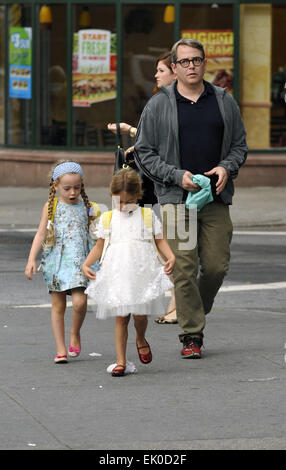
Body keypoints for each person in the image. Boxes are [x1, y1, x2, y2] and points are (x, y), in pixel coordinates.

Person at [134, 38, 248, 359]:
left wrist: (227, 167)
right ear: (174, 67)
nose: (191, 67)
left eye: (196, 60)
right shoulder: (159, 104)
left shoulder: (223, 101)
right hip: (176, 198)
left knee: (215, 266)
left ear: (204, 63)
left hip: (214, 196)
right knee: (183, 268)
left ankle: (193, 309)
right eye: (184, 62)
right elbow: (144, 152)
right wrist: (175, 175)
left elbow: (240, 145)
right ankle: (191, 335)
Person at [82, 168, 175, 377]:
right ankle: (121, 361)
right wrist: (86, 263)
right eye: (119, 201)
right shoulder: (108, 219)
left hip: (141, 273)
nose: (123, 206)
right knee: (121, 317)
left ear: (138, 196)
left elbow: (160, 240)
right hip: (118, 274)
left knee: (140, 317)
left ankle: (140, 338)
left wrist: (171, 257)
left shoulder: (147, 216)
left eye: (129, 201)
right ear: (112, 196)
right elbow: (99, 246)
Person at [107, 51, 178, 325]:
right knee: (152, 236)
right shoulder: (160, 100)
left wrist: (134, 135)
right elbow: (156, 136)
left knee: (168, 238)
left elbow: (165, 138)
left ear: (174, 71)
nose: (157, 75)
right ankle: (171, 296)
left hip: (166, 178)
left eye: (161, 70)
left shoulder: (175, 101)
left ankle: (176, 299)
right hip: (150, 176)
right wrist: (135, 138)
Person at [25, 160, 100, 364]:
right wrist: (31, 259)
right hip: (56, 262)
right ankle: (60, 349)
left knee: (79, 303)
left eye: (77, 187)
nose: (72, 192)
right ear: (56, 186)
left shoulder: (88, 207)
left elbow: (97, 237)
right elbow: (41, 234)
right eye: (67, 188)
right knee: (58, 306)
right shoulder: (51, 206)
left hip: (79, 262)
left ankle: (74, 333)